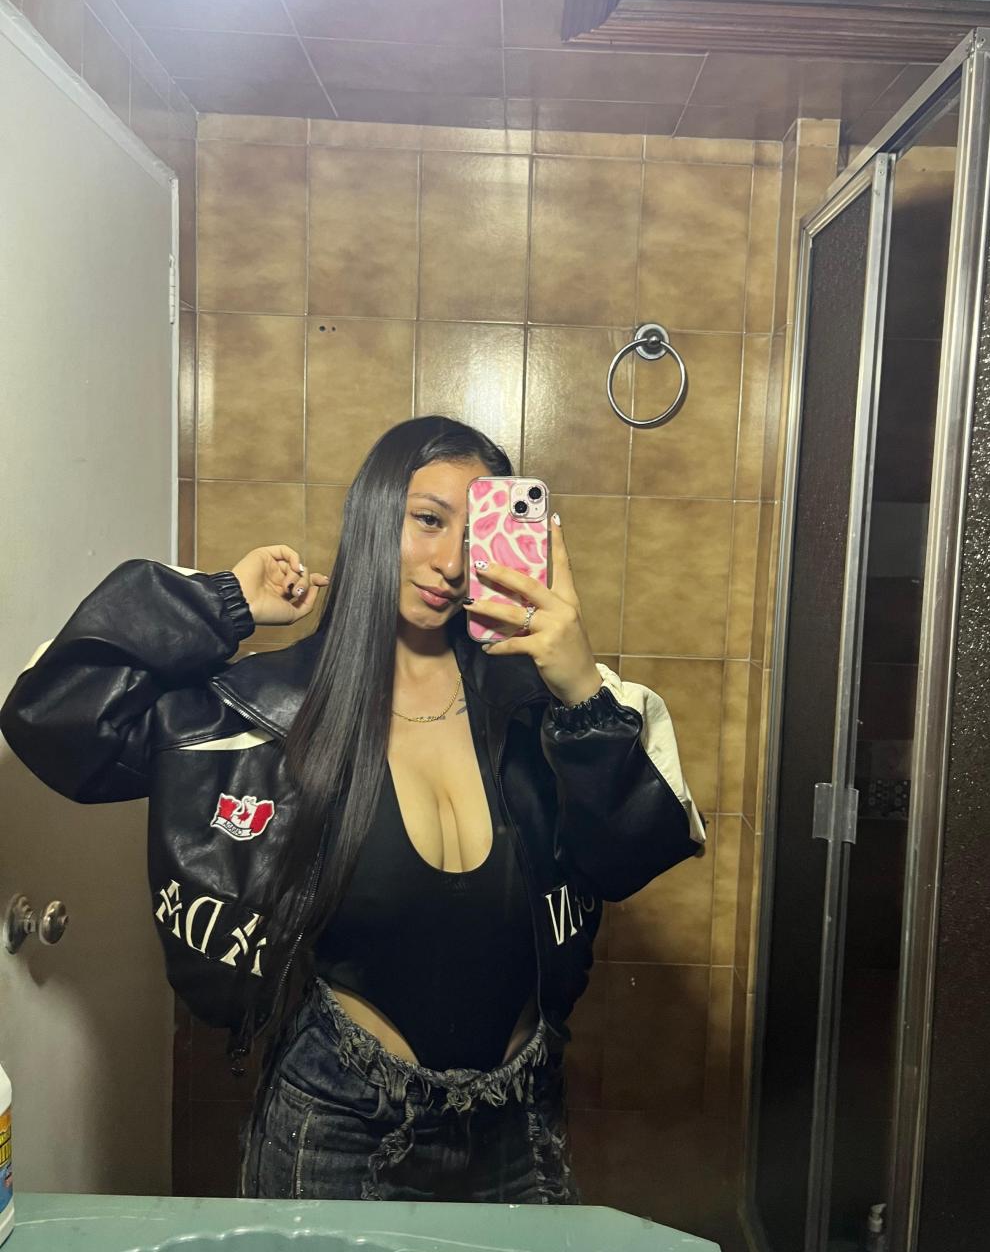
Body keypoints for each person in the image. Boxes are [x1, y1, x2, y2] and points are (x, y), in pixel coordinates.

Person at [1, 416, 706, 1204]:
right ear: (373, 518)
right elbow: (52, 716)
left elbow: (633, 858)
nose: (450, 563)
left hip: (519, 1123)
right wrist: (226, 602)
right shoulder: (265, 708)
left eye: (473, 534)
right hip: (340, 1124)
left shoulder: (550, 703)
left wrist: (580, 692)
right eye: (427, 519)